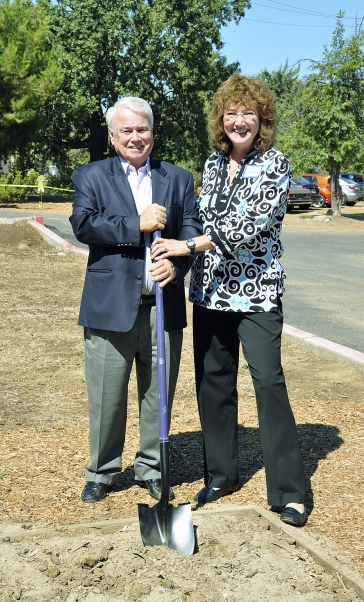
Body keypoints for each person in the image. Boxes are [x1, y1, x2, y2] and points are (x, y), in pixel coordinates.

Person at [151, 75, 306, 527]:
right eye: (232, 113)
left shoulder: (276, 164)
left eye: (249, 113)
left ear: (263, 120)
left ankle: (291, 492)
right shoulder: (213, 164)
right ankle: (221, 475)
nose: (240, 121)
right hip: (211, 291)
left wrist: (187, 247)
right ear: (221, 118)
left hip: (257, 294)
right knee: (213, 383)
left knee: (268, 384)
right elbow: (200, 216)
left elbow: (250, 224)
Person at [70, 97, 202, 503]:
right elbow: (83, 223)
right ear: (112, 136)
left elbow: (193, 231)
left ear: (152, 133)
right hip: (110, 307)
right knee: (108, 396)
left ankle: (151, 467)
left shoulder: (177, 178)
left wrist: (178, 268)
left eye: (141, 129)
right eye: (125, 130)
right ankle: (102, 470)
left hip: (163, 308)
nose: (135, 136)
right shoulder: (90, 176)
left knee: (157, 393)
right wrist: (136, 223)